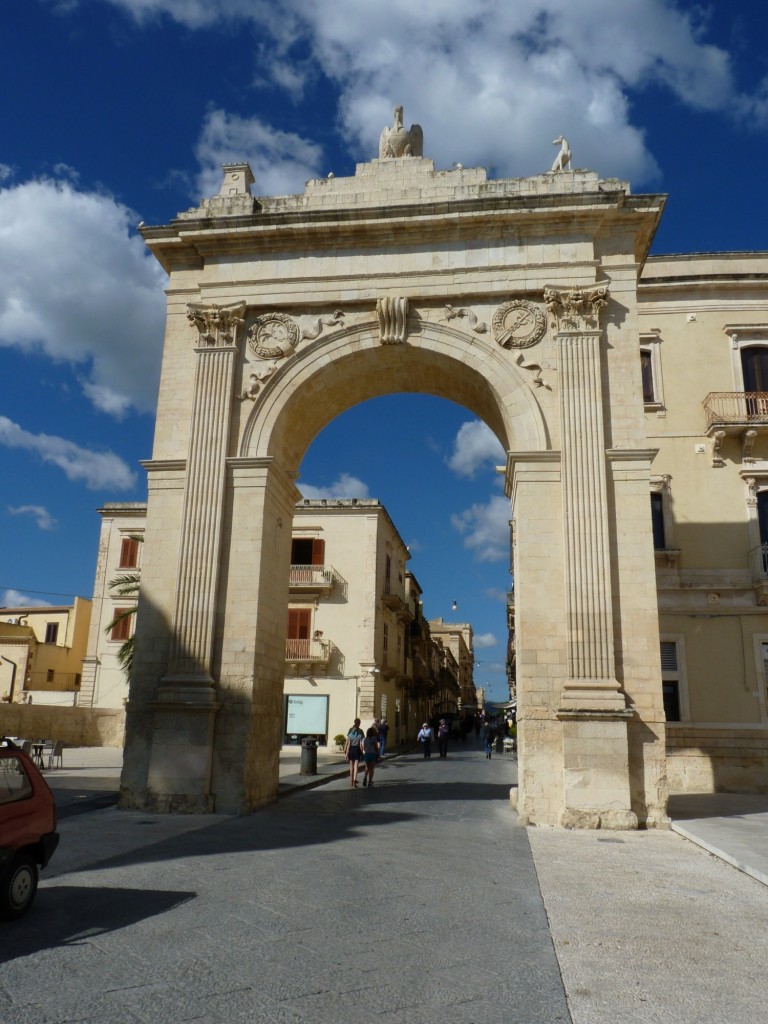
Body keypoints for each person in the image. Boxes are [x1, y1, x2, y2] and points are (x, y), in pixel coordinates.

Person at [344, 718, 364, 786]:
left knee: (351, 766)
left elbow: (348, 742)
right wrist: (362, 752)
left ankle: (351, 780)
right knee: (356, 766)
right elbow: (361, 744)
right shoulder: (360, 732)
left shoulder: (350, 732)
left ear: (354, 722)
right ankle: (355, 779)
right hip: (357, 749)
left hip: (351, 749)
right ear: (359, 723)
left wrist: (346, 751)